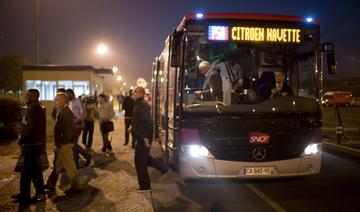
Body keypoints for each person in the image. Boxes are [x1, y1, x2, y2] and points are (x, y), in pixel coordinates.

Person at [45, 92, 84, 193]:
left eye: (57, 99)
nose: (55, 101)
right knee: (58, 164)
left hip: (64, 144)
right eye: (55, 99)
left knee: (69, 165)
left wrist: (63, 141)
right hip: (62, 144)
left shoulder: (66, 113)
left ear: (63, 101)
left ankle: (77, 185)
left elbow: (70, 129)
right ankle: (51, 184)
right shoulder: (62, 111)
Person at [12, 89, 46, 207]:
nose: (25, 96)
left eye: (28, 95)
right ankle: (27, 194)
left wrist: (21, 141)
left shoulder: (35, 109)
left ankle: (33, 195)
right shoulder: (32, 108)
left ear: (34, 96)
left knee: (30, 171)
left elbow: (29, 129)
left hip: (33, 146)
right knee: (30, 171)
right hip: (32, 145)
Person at [132, 86, 168, 192]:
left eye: (136, 91)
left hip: (143, 138)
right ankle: (164, 169)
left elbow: (148, 122)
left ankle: (145, 187)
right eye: (134, 91)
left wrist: (146, 138)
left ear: (141, 93)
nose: (134, 93)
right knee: (146, 159)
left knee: (139, 162)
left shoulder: (141, 105)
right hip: (142, 137)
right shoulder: (140, 104)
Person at [65, 89, 91, 168]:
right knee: (73, 144)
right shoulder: (67, 103)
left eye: (67, 94)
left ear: (72, 94)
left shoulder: (78, 101)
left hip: (77, 125)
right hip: (69, 126)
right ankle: (85, 157)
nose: (66, 96)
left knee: (73, 144)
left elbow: (84, 113)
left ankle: (76, 163)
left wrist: (76, 120)